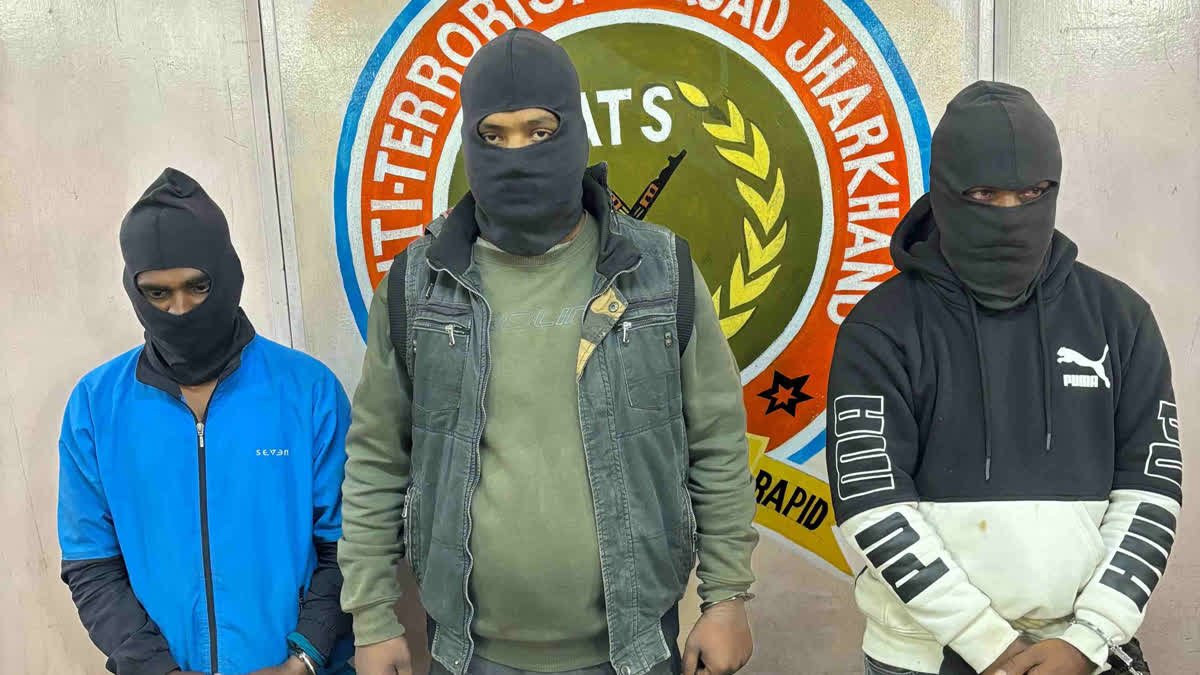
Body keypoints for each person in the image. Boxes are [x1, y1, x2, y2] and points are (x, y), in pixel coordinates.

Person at [338, 28, 758, 675]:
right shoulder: (417, 285)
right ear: (468, 142)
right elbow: (377, 458)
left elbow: (717, 440)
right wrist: (371, 618)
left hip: (633, 651)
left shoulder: (659, 270)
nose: (517, 155)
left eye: (539, 131)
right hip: (470, 656)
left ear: (575, 131)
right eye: (494, 135)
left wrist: (726, 598)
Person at [827, 81, 1180, 675]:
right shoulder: (881, 327)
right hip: (922, 656)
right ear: (945, 192)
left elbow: (1151, 489)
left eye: (1032, 193)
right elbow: (870, 499)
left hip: (1082, 654)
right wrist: (987, 642)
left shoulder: (1119, 318)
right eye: (985, 194)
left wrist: (1089, 636)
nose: (1011, 215)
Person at [58, 168, 356, 675]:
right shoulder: (95, 405)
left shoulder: (307, 391)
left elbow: (347, 546)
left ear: (229, 273)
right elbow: (92, 564)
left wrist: (304, 657)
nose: (180, 309)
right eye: (157, 293)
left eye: (197, 286)